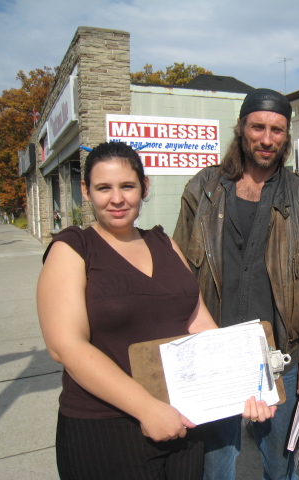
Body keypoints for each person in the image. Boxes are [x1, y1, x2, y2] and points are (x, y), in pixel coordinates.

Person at [36, 141, 273, 480]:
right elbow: (66, 346)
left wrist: (247, 385)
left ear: (144, 188)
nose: (116, 199)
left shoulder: (165, 243)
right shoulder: (73, 248)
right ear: (86, 191)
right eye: (104, 188)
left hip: (182, 421)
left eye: (127, 186)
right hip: (106, 427)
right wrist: (146, 408)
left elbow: (198, 323)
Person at [173, 88, 299, 480]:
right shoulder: (204, 188)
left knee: (281, 464)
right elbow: (180, 272)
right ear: (241, 128)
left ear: (287, 135)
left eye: (277, 129)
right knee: (216, 464)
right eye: (258, 127)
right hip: (215, 348)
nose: (267, 138)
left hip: (280, 354)